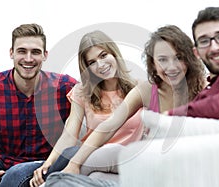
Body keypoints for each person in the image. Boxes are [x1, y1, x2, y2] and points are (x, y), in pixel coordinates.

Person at [43, 25, 207, 186]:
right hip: (145, 167)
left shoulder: (204, 88)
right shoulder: (147, 90)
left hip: (175, 169)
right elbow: (108, 126)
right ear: (153, 64)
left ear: (190, 56)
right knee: (95, 176)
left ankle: (52, 181)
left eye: (178, 57)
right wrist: (73, 164)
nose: (171, 66)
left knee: (105, 155)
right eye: (162, 60)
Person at [0, 23, 77, 187]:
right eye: (22, 51)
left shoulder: (64, 87)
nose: (28, 59)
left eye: (35, 52)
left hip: (44, 166)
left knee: (16, 174)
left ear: (45, 55)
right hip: (3, 163)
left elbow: (96, 107)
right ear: (11, 53)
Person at [29, 30, 145, 187]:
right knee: (94, 176)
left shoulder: (139, 89)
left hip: (125, 161)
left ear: (114, 54)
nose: (101, 64)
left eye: (104, 55)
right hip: (92, 162)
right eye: (92, 62)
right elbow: (69, 135)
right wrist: (48, 163)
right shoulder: (82, 92)